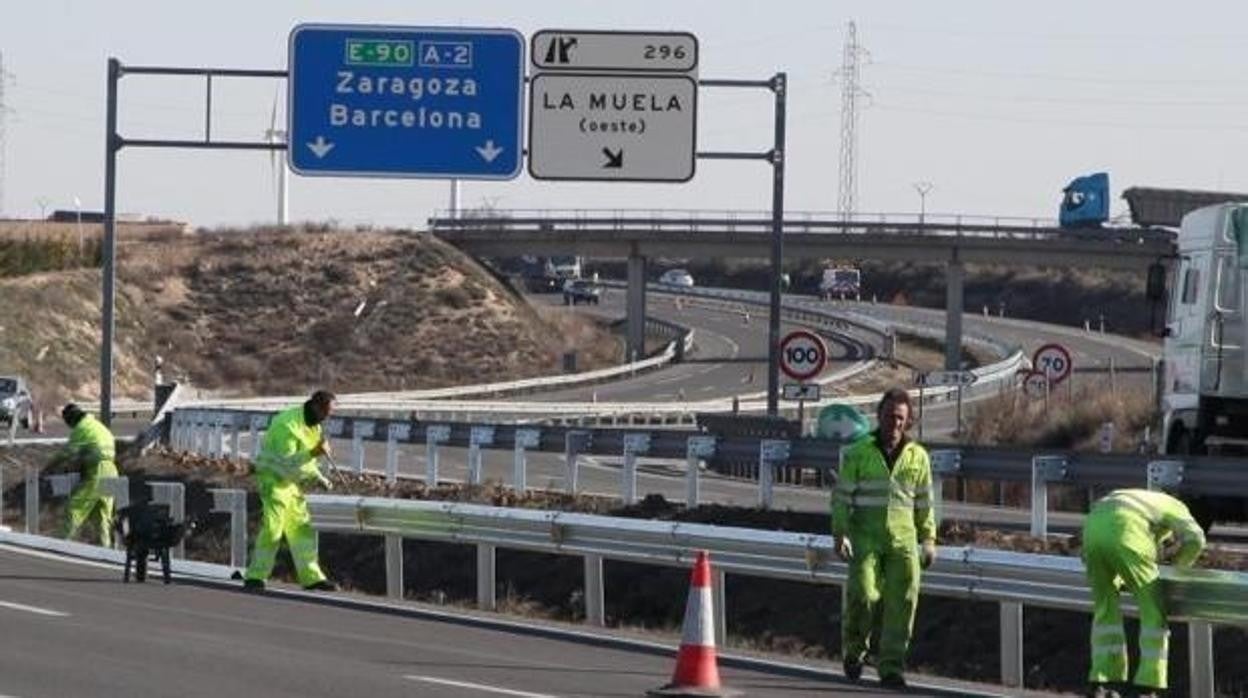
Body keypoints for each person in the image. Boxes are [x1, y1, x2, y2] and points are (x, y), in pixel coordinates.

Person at [830, 387, 935, 689]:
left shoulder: (918, 457)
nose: (895, 423)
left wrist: (928, 539)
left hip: (903, 542)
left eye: (901, 418)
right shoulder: (859, 453)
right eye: (890, 416)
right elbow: (841, 499)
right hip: (865, 540)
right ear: (879, 417)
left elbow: (925, 502)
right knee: (864, 596)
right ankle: (854, 651)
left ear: (909, 420)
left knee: (902, 603)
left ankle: (891, 667)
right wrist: (840, 534)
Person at [1082, 489, 1206, 698]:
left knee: (1105, 609)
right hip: (1126, 532)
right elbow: (1196, 539)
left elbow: (1110, 537)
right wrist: (1178, 565)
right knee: (1153, 611)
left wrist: (1123, 575)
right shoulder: (1177, 507)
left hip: (1092, 531)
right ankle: (1149, 686)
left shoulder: (1138, 498)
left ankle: (1102, 683)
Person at [243, 390, 339, 592]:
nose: (327, 417)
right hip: (273, 479)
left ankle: (312, 578)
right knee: (273, 528)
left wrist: (319, 477)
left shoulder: (313, 425)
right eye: (326, 412)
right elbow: (286, 464)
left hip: (291, 483)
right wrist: (314, 452)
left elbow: (305, 460)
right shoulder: (286, 425)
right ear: (316, 406)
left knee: (302, 530)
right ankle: (255, 576)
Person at [53, 403, 120, 547]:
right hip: (112, 470)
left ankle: (59, 544)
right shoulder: (97, 426)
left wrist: (53, 467)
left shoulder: (81, 428)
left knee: (75, 508)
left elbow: (67, 454)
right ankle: (106, 551)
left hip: (97, 470)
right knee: (102, 515)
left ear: (71, 419)